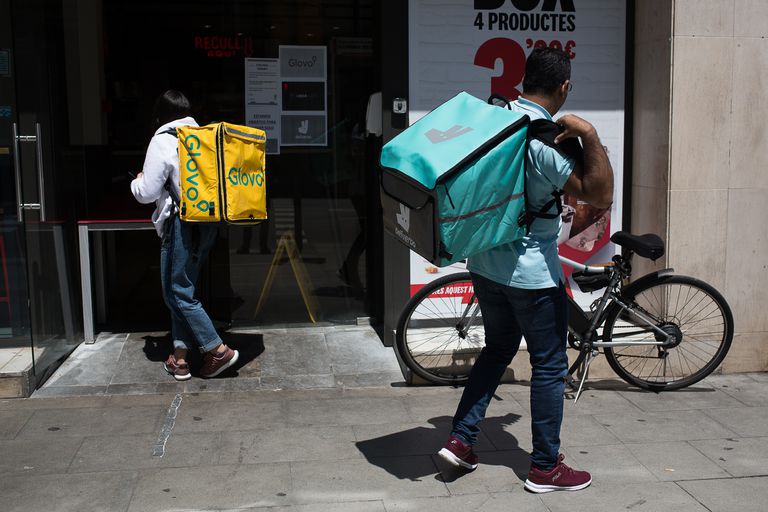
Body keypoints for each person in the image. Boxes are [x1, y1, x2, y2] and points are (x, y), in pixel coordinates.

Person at [437, 48, 614, 493]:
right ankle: (544, 467)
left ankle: (460, 440)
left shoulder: (495, 117)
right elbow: (600, 194)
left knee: (497, 350)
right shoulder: (543, 140)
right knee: (550, 366)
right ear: (564, 87)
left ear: (522, 79)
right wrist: (589, 134)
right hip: (530, 274)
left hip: (483, 262)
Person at [131, 90, 239, 381]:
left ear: (159, 115)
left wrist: (136, 182)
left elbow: (148, 192)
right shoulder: (201, 136)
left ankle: (217, 349)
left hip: (181, 224)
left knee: (177, 293)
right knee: (182, 290)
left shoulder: (163, 139)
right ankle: (180, 360)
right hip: (206, 223)